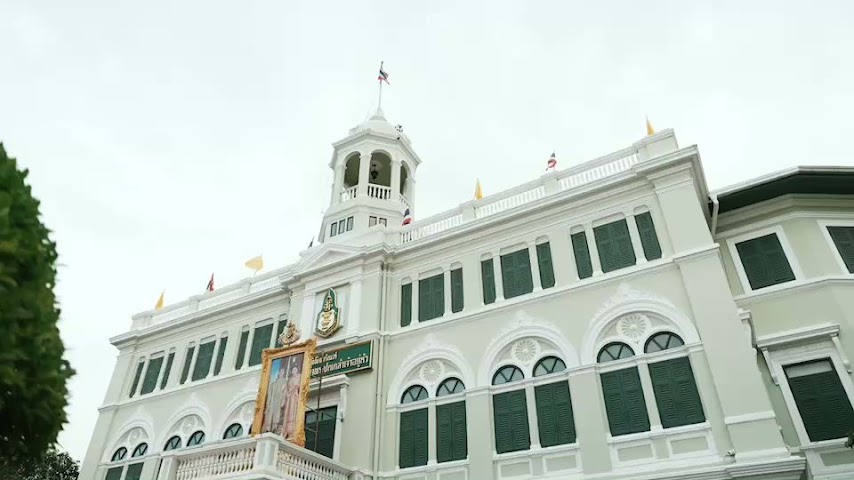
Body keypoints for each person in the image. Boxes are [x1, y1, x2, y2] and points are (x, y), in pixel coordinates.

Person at [263, 362, 288, 433]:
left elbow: (285, 392)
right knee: (270, 413)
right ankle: (268, 427)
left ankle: (274, 427)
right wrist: (269, 401)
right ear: (279, 373)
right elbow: (270, 393)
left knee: (277, 414)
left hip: (279, 400)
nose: (281, 373)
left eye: (283, 372)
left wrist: (283, 401)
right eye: (280, 371)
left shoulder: (284, 382)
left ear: (284, 373)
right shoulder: (274, 383)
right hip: (273, 400)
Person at [281, 360, 303, 439]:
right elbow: (286, 390)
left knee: (294, 413)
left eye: (295, 369)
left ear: (297, 370)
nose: (294, 371)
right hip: (290, 398)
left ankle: (293, 430)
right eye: (293, 370)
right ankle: (286, 430)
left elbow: (300, 386)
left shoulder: (300, 376)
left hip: (295, 397)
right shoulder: (289, 379)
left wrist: (295, 388)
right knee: (288, 414)